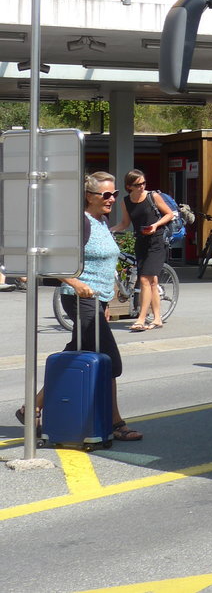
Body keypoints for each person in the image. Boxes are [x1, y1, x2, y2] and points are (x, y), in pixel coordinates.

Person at [15, 171, 142, 442]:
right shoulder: (79, 223)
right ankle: (116, 423)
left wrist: (105, 302)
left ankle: (33, 408)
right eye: (105, 195)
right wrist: (74, 283)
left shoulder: (101, 220)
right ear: (89, 196)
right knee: (110, 361)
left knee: (74, 355)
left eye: (114, 194)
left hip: (97, 301)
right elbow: (51, 258)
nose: (111, 199)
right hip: (80, 298)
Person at [111, 169, 172, 331]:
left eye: (144, 183)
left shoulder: (153, 196)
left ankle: (141, 318)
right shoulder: (126, 201)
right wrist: (109, 230)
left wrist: (155, 225)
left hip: (156, 241)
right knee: (152, 281)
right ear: (129, 186)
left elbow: (169, 214)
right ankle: (157, 318)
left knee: (145, 279)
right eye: (138, 184)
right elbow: (125, 223)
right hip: (141, 242)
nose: (142, 187)